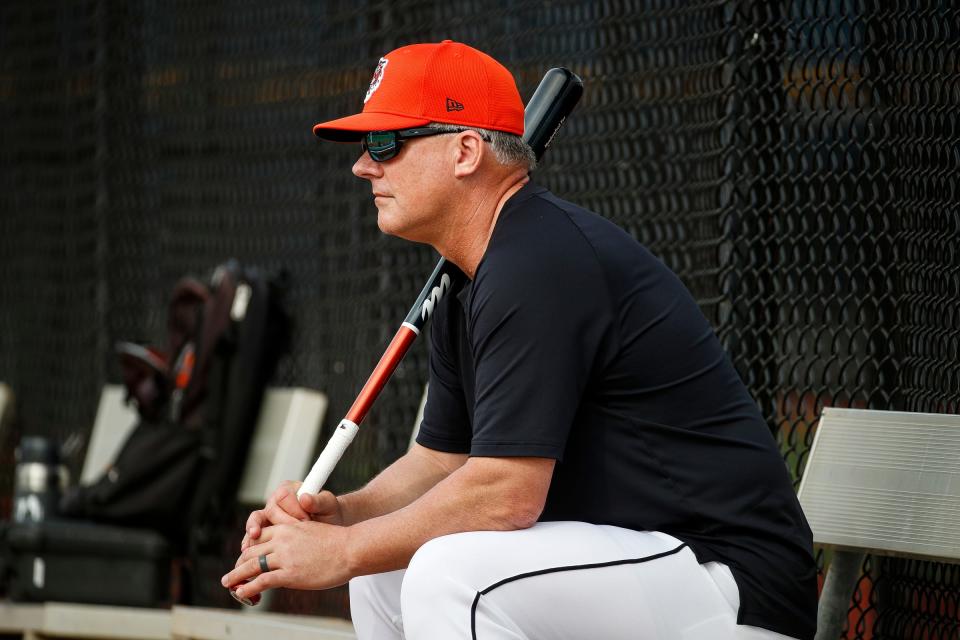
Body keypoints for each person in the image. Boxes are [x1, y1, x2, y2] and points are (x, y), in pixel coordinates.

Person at [221, 40, 817, 640]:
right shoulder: (467, 276)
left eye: (385, 143)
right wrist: (347, 514)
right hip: (631, 559)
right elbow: (441, 461)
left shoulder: (538, 260)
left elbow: (506, 495)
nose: (363, 166)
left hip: (724, 574)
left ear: (465, 151)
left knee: (446, 574)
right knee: (383, 574)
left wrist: (344, 549)